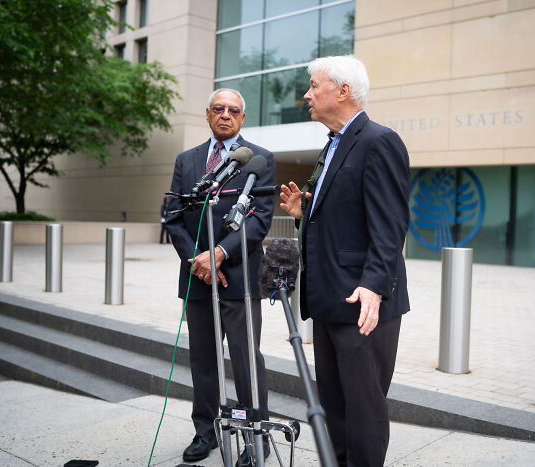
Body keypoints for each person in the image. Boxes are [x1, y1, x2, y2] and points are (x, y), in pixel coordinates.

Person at [279, 56, 410, 467]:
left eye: (314, 86)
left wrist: (372, 286)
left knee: (363, 410)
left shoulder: (379, 141)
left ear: (343, 91)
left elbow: (390, 227)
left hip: (362, 303)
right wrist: (306, 213)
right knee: (335, 408)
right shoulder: (334, 143)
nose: (306, 95)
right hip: (329, 302)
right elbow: (346, 216)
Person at [165, 88, 276, 465]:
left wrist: (220, 253)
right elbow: (173, 217)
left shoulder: (260, 160)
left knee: (246, 359)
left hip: (240, 277)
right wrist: (198, 260)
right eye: (219, 109)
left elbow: (259, 218)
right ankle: (205, 432)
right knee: (203, 360)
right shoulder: (187, 160)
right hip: (198, 277)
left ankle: (255, 438)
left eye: (233, 110)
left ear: (242, 118)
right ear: (208, 114)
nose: (226, 115)